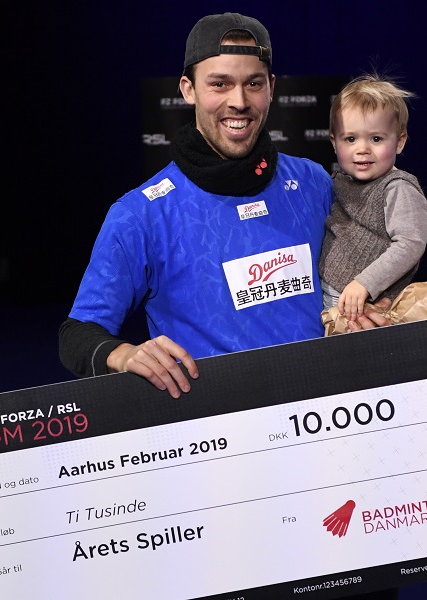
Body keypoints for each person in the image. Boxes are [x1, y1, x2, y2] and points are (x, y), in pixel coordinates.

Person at [57, 13, 385, 398]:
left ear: (271, 87)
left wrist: (373, 307)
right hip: (218, 425)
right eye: (219, 84)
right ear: (188, 89)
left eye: (253, 84)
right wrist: (124, 354)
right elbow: (78, 334)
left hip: (323, 409)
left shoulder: (312, 182)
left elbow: (361, 273)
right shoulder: (141, 214)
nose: (239, 102)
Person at [320, 75, 427, 323]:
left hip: (363, 304)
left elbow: (411, 243)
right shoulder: (339, 182)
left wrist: (365, 283)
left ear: (399, 142)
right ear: (334, 143)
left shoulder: (398, 187)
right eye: (351, 139)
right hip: (327, 298)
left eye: (376, 139)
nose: (363, 149)